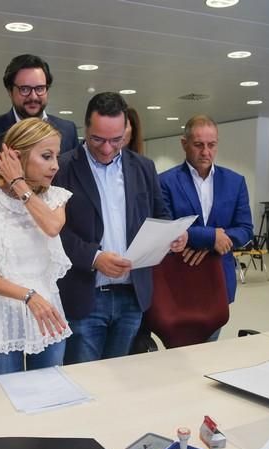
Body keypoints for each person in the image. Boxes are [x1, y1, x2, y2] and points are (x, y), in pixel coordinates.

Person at [54, 92, 187, 365]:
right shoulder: (62, 168)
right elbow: (55, 232)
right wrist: (94, 257)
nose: (106, 148)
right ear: (85, 129)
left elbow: (160, 215)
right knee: (84, 382)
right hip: (84, 296)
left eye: (116, 140)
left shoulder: (143, 167)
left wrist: (174, 235)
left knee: (120, 382)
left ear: (126, 131)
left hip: (132, 297)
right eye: (97, 139)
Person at [0, 118, 72, 377]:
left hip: (48, 315)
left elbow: (51, 227)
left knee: (49, 397)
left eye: (56, 156)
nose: (55, 165)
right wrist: (29, 295)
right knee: (2, 404)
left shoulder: (56, 197)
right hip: (1, 317)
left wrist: (18, 184)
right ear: (16, 155)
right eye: (46, 156)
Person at [159, 114, 253, 340]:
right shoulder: (165, 182)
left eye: (211, 145)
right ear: (184, 144)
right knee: (179, 351)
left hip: (218, 279)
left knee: (209, 348)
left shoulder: (235, 181)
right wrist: (211, 237)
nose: (206, 152)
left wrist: (206, 244)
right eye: (198, 145)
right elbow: (165, 228)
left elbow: (245, 229)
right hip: (180, 278)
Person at [0, 54, 79, 164]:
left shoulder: (68, 131)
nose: (33, 96)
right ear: (10, 91)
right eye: (25, 89)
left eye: (40, 88)